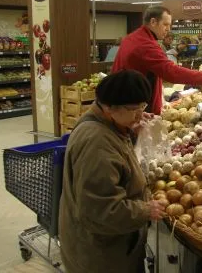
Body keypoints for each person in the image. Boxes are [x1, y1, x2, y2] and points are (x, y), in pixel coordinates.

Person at [59, 70, 167, 273]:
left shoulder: (109, 123)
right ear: (109, 107)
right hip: (101, 255)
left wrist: (130, 128)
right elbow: (101, 210)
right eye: (133, 108)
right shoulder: (96, 143)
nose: (140, 113)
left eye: (142, 106)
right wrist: (144, 210)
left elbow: (118, 161)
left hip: (113, 243)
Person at [112, 6, 202, 115]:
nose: (168, 29)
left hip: (123, 104)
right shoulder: (145, 44)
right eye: (165, 24)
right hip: (132, 109)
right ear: (153, 22)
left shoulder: (133, 37)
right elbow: (170, 72)